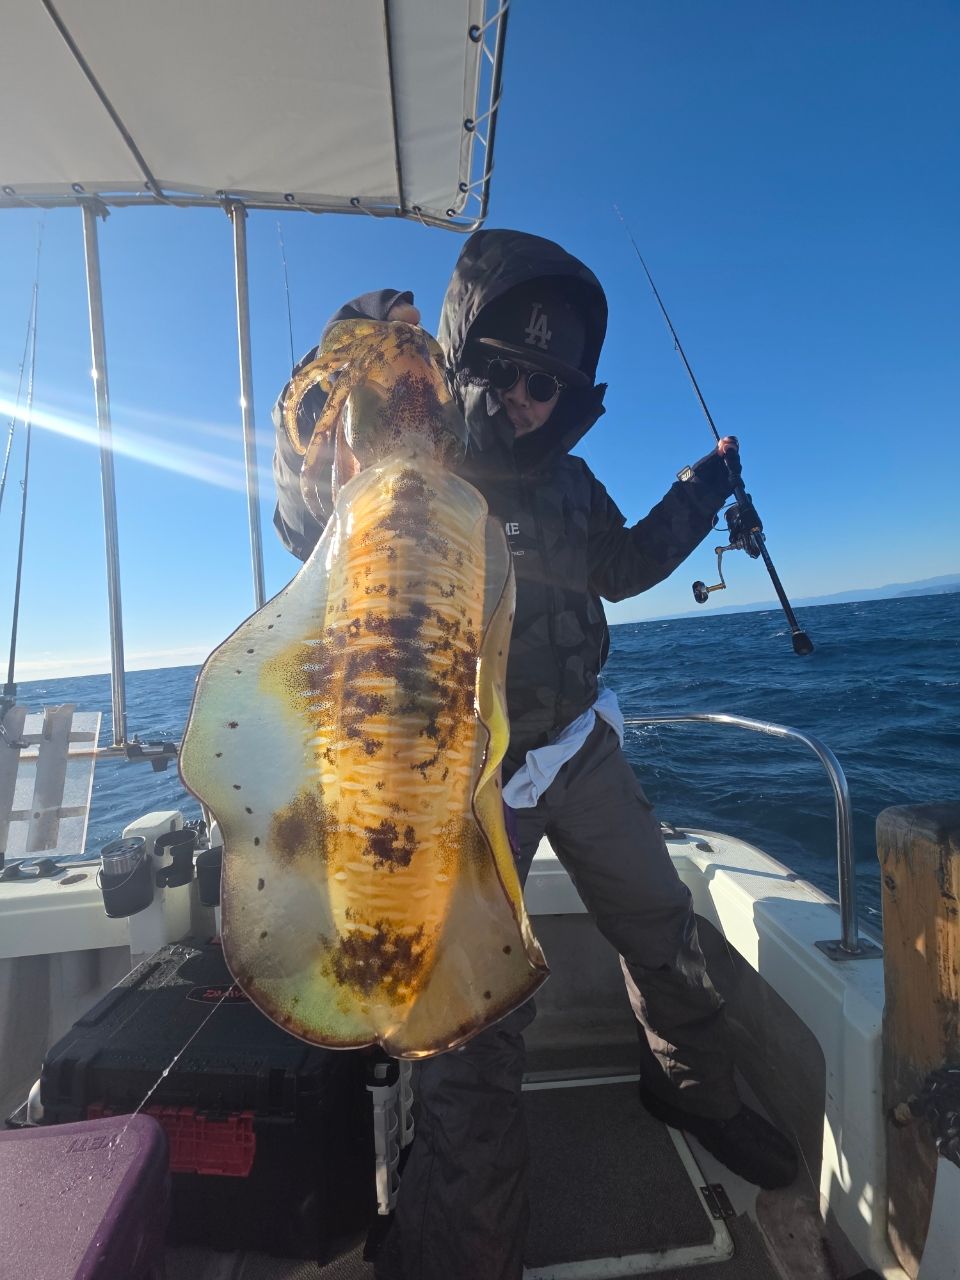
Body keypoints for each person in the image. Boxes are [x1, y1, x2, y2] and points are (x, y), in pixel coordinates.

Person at [272, 229, 797, 1280]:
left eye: (546, 383)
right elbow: (303, 521)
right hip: (457, 790)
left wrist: (698, 493)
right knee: (474, 1028)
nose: (521, 397)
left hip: (575, 743)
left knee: (661, 923)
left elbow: (625, 565)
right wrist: (352, 361)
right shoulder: (411, 464)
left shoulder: (572, 483)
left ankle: (690, 1088)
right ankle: (460, 1244)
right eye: (502, 369)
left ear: (572, 397)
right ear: (459, 361)